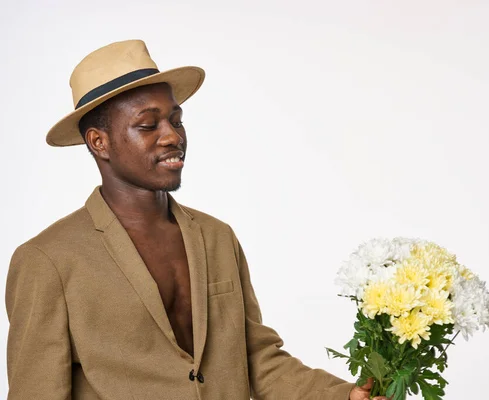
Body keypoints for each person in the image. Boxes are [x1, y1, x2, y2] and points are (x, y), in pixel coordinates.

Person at [4, 40, 389, 400]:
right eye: (148, 125)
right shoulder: (48, 260)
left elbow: (255, 358)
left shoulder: (217, 237)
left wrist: (341, 395)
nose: (173, 136)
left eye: (176, 120)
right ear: (98, 142)